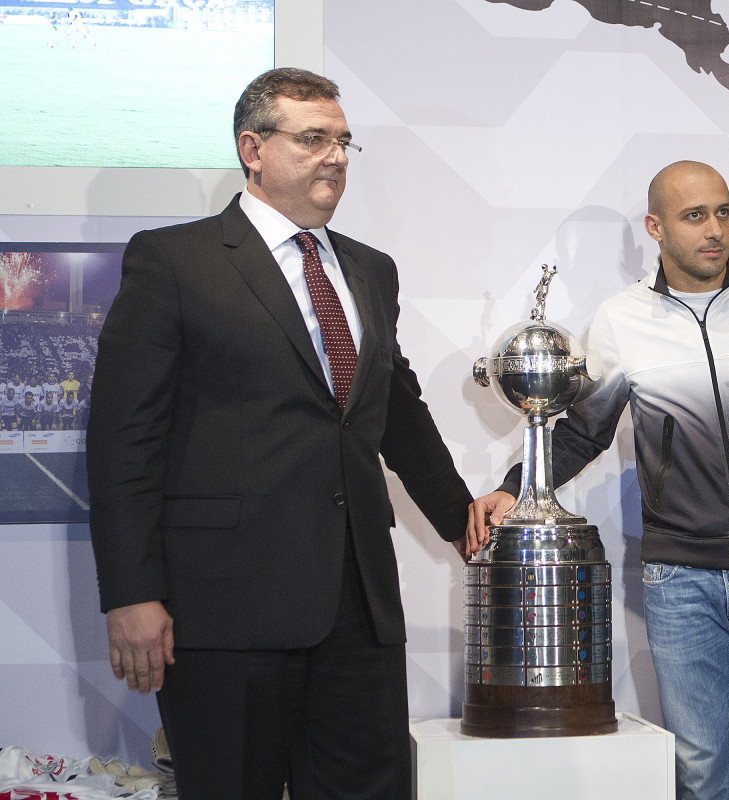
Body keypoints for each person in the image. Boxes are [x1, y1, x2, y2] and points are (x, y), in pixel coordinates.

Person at [87, 67, 477, 800]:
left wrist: (463, 515)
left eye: (343, 141)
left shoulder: (370, 270)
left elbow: (393, 407)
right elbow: (121, 444)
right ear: (253, 149)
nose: (334, 156)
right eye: (313, 138)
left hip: (357, 608)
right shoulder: (174, 261)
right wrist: (131, 593)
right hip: (225, 610)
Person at [469, 161, 729, 800]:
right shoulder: (622, 319)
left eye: (722, 212)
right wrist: (515, 485)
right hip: (681, 583)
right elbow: (586, 429)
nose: (715, 230)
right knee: (701, 780)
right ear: (656, 227)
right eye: (695, 215)